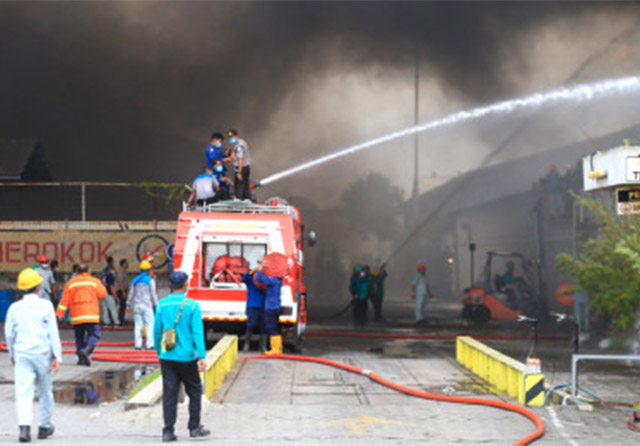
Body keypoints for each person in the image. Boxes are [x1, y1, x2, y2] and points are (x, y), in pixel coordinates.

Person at [5, 268, 62, 442]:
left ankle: (24, 429)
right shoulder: (46, 306)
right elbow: (53, 332)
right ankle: (44, 426)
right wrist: (57, 356)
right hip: (42, 354)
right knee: (45, 391)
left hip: (22, 354)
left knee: (23, 391)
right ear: (38, 286)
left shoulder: (14, 308)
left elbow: (9, 334)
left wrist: (12, 354)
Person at [153, 270, 210, 442]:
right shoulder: (192, 305)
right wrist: (202, 355)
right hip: (187, 357)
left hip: (167, 357)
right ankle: (194, 427)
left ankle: (168, 430)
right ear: (186, 284)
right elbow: (197, 332)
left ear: (170, 285)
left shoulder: (162, 305)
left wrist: (159, 351)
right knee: (195, 390)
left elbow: (156, 331)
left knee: (170, 393)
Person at [56, 263, 108, 366]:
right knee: (94, 334)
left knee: (79, 337)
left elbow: (64, 301)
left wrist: (59, 314)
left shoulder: (70, 283)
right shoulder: (94, 282)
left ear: (77, 271)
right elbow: (103, 294)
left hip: (77, 316)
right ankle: (86, 351)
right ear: (89, 271)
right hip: (91, 315)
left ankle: (81, 358)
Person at [127, 260, 158, 350]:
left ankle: (138, 345)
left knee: (138, 326)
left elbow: (131, 293)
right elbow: (153, 295)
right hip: (147, 306)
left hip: (137, 306)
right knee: (149, 325)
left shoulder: (135, 280)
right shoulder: (150, 280)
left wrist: (128, 304)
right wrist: (156, 306)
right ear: (148, 270)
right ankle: (150, 345)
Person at [255, 267, 284, 354]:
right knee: (274, 327)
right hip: (276, 307)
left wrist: (260, 269)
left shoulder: (273, 281)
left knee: (271, 327)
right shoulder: (278, 281)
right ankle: (278, 349)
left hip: (271, 307)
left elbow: (259, 279)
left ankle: (275, 349)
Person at [241, 268, 267, 352]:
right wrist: (252, 271)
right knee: (251, 324)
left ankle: (262, 346)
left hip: (264, 305)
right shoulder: (250, 278)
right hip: (252, 305)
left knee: (264, 326)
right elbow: (243, 279)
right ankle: (247, 343)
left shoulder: (266, 278)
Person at [226, 128, 252, 200]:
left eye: (232, 137)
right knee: (245, 186)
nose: (231, 139)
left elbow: (240, 159)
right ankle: (248, 199)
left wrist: (239, 172)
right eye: (230, 137)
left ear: (236, 136)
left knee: (238, 186)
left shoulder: (239, 146)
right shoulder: (242, 142)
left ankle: (239, 201)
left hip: (241, 168)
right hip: (246, 167)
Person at [100, 257, 120, 326]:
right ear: (110, 269)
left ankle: (106, 322)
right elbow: (111, 286)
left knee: (105, 309)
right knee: (113, 309)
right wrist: (116, 296)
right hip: (109, 294)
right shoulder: (110, 276)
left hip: (103, 294)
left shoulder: (103, 276)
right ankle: (116, 322)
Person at [116, 259, 130, 326]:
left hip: (124, 290)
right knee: (122, 306)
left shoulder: (124, 272)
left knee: (123, 306)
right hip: (121, 291)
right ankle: (121, 320)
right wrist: (123, 292)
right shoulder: (121, 272)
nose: (127, 265)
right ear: (123, 264)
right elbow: (121, 282)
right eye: (126, 263)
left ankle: (122, 319)